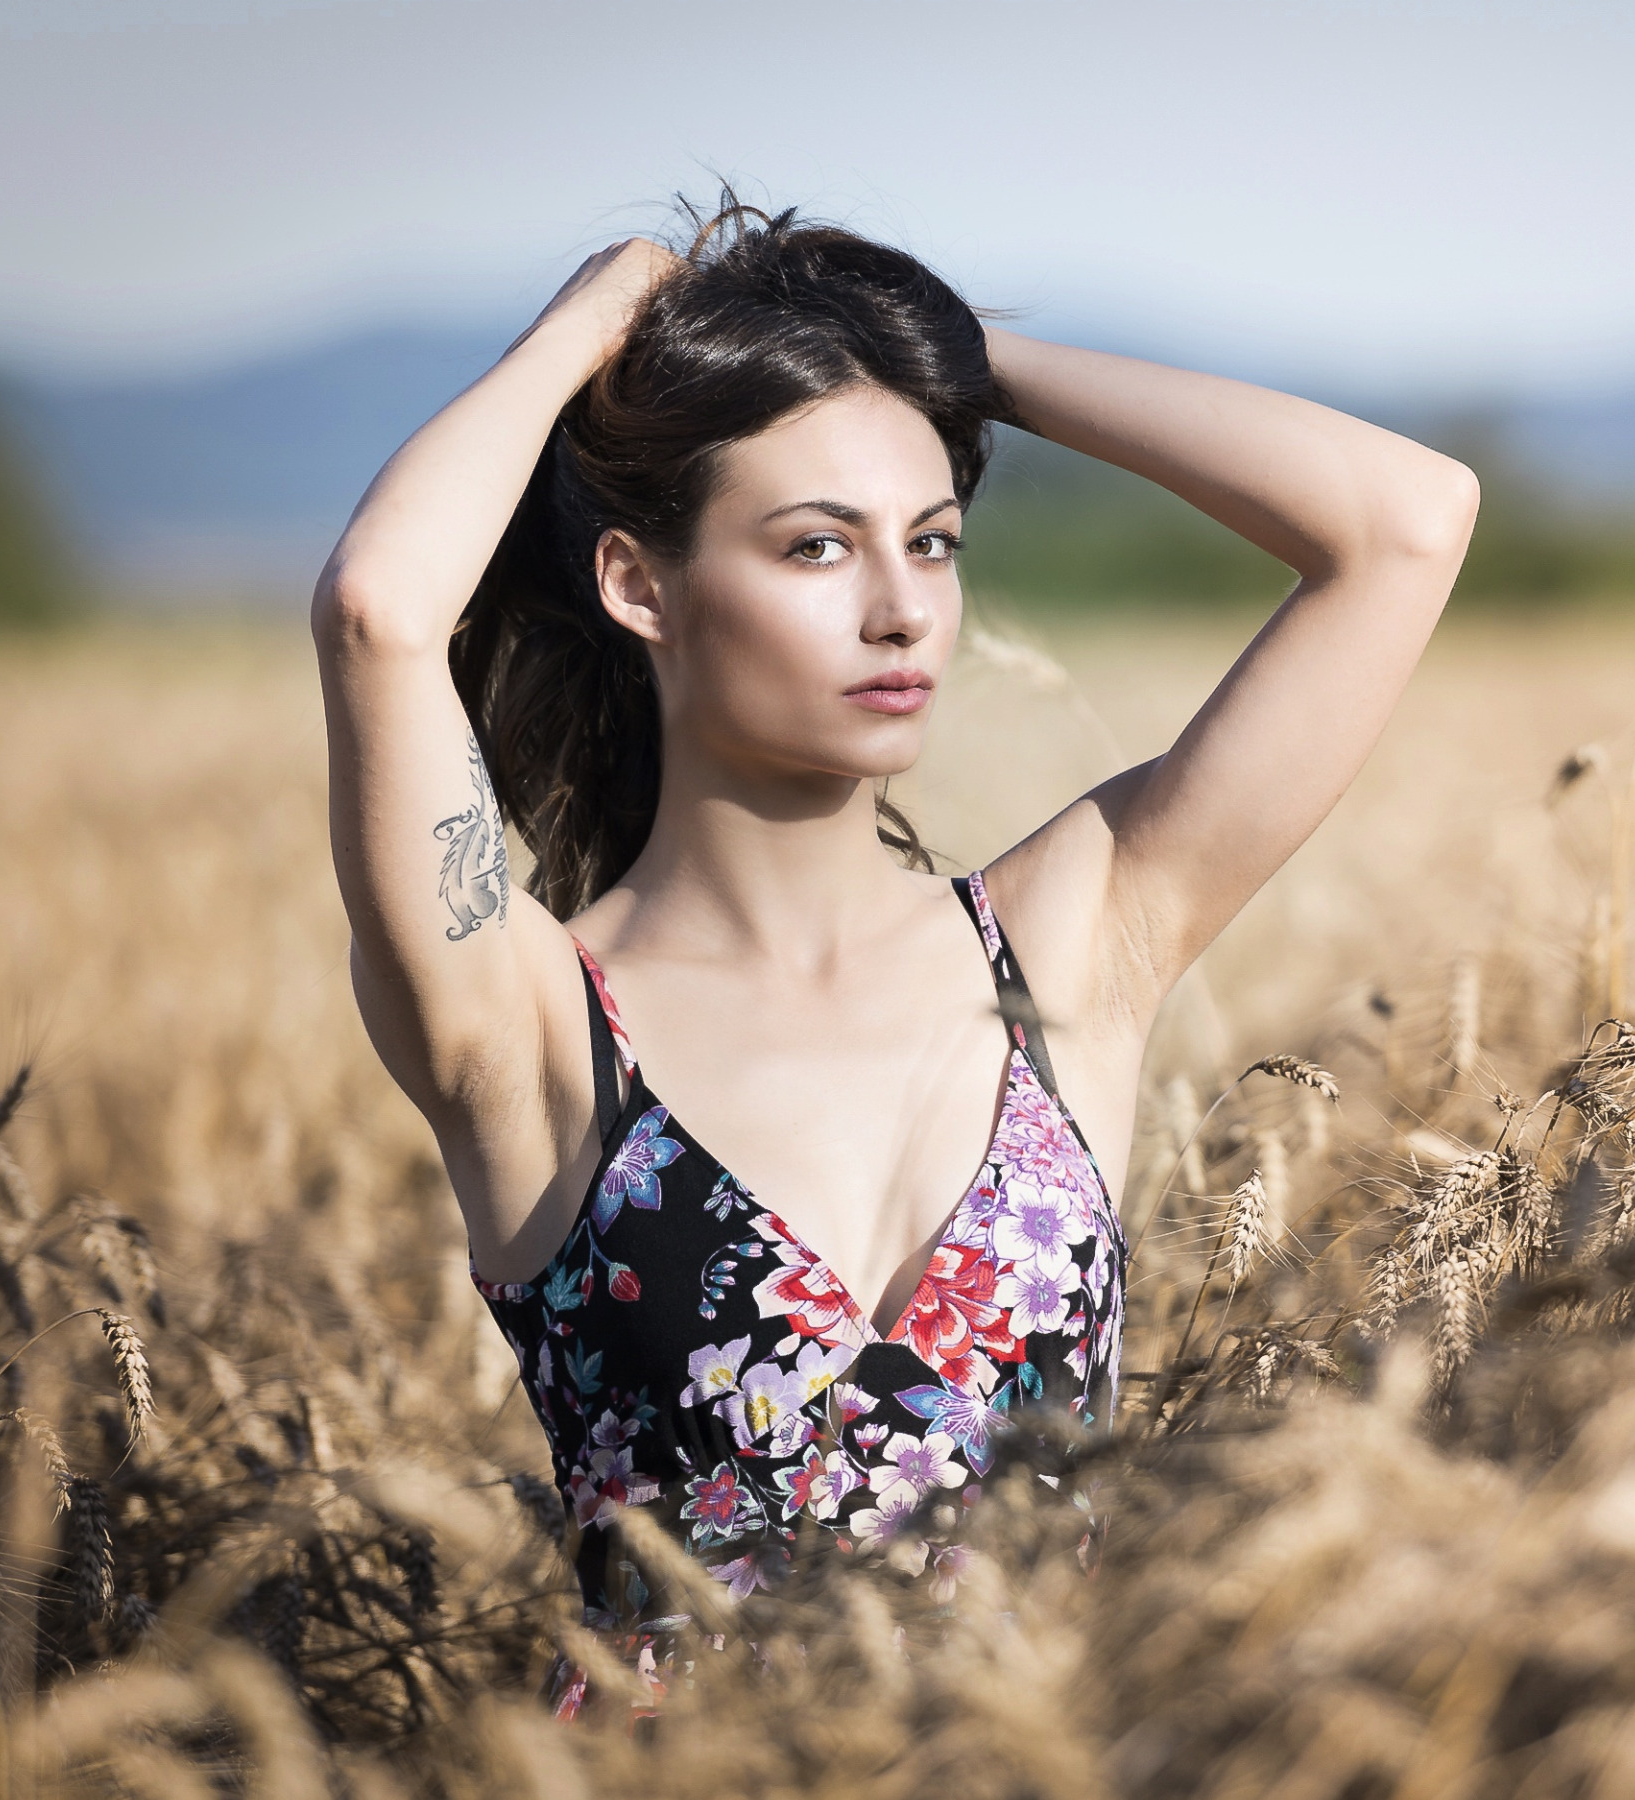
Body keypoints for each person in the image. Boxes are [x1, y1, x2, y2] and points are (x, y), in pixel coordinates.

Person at [310, 201, 1476, 1715]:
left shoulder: (1074, 937)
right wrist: (595, 322)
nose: (903, 608)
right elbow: (378, 610)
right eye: (817, 547)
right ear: (637, 585)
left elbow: (1404, 523)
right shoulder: (521, 1026)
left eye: (932, 542)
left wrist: (938, 352)